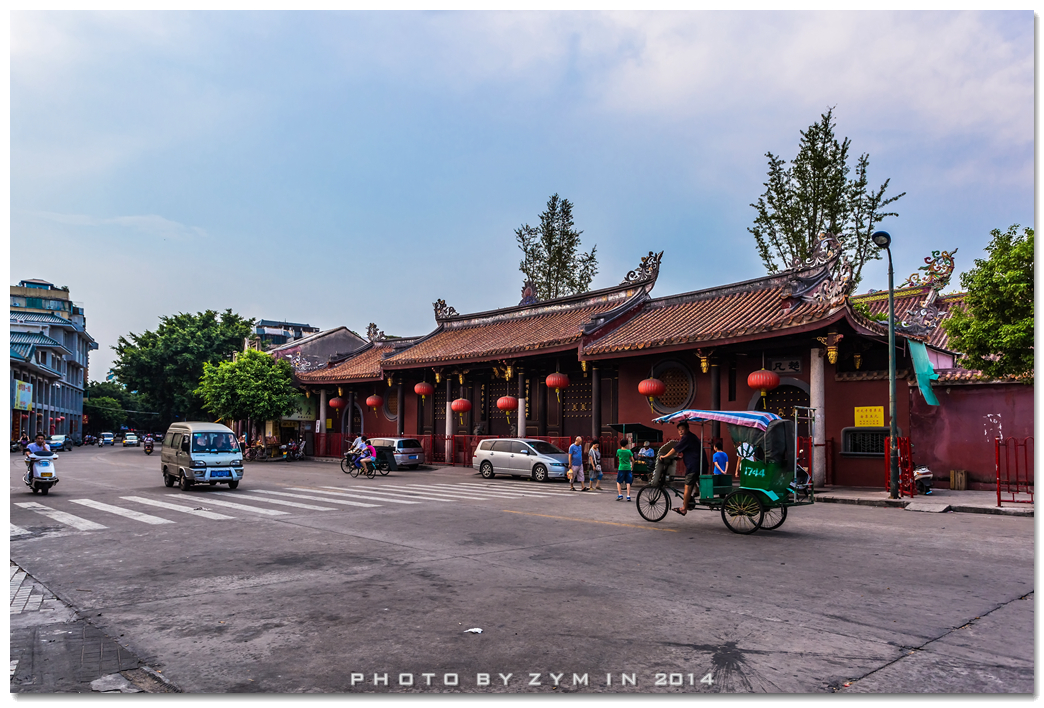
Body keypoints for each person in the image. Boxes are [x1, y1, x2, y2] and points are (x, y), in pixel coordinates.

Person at [665, 421, 709, 516]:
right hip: (699, 464)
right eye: (679, 430)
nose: (680, 431)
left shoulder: (687, 437)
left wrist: (665, 456)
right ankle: (696, 492)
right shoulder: (692, 437)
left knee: (687, 485)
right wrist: (681, 457)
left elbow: (676, 449)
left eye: (682, 429)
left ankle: (684, 508)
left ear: (687, 429)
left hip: (694, 466)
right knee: (693, 481)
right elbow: (690, 450)